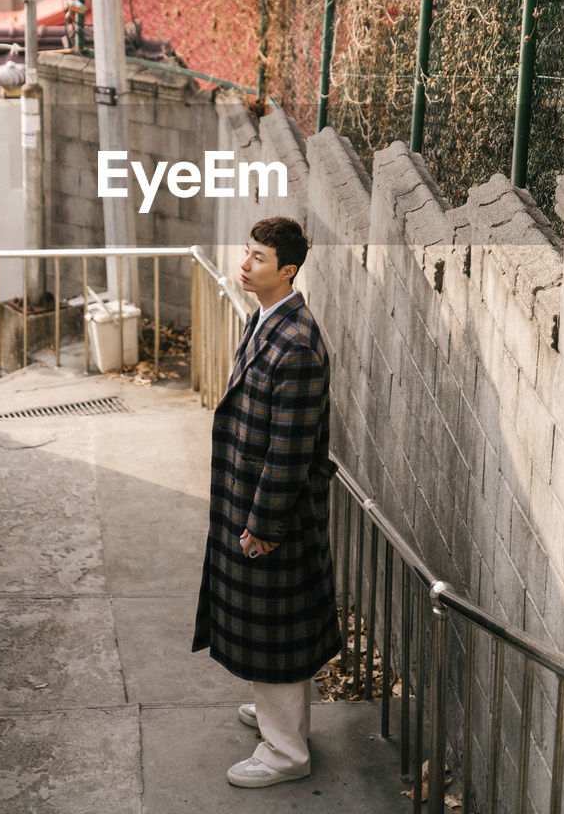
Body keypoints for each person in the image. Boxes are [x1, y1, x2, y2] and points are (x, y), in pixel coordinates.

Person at [192, 215, 340, 788]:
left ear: (289, 270)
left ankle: (285, 753)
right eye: (246, 253)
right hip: (250, 502)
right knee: (274, 628)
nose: (245, 263)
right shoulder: (266, 319)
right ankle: (285, 720)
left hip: (272, 513)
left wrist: (264, 523)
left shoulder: (297, 344)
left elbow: (290, 448)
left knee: (276, 630)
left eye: (258, 257)